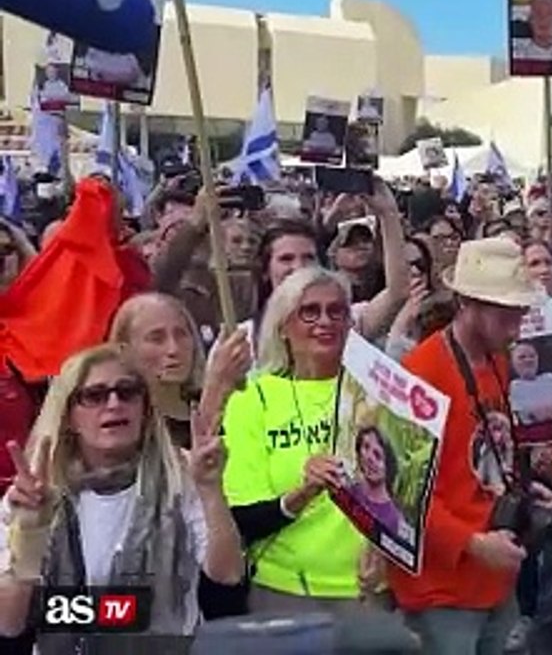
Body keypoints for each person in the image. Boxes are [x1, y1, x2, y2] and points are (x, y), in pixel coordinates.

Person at [0, 344, 243, 642]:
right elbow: (9, 623)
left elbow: (228, 573)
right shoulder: (33, 492)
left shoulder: (182, 474)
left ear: (145, 409)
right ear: (70, 415)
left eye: (127, 392)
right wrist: (30, 535)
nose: (114, 404)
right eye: (95, 395)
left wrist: (210, 491)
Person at [392, 237, 549, 654]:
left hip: (496, 580)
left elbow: (484, 448)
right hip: (442, 591)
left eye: (520, 310)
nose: (516, 325)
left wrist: (523, 488)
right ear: (466, 302)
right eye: (504, 311)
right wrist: (472, 544)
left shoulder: (497, 359)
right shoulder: (419, 373)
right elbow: (401, 494)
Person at [221, 268, 370, 615]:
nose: (325, 321)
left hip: (368, 590)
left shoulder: (377, 393)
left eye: (337, 311)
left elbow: (404, 495)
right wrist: (302, 493)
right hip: (284, 590)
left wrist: (384, 552)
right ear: (283, 326)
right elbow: (243, 518)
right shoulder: (252, 399)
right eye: (309, 312)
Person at [108, 293, 205, 450]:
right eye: (156, 339)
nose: (173, 349)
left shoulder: (230, 409)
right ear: (124, 349)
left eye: (181, 335)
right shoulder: (120, 421)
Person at [347, 426, 408, 536]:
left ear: (388, 466)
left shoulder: (395, 519)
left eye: (377, 455)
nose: (369, 458)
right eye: (365, 447)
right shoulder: (349, 490)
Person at [509, 342, 552, 425]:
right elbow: (533, 416)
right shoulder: (513, 387)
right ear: (513, 363)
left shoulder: (551, 377)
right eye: (522, 357)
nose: (528, 360)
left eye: (532, 356)